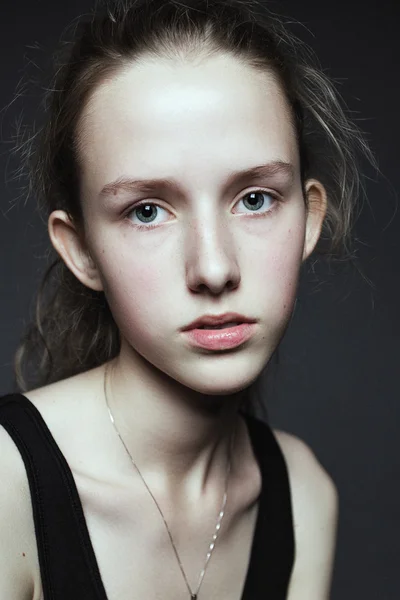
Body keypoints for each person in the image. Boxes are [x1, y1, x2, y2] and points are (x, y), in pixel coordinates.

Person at [0, 0, 377, 598]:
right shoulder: (6, 484)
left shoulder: (303, 497)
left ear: (309, 218)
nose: (214, 267)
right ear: (82, 251)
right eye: (147, 211)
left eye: (255, 198)